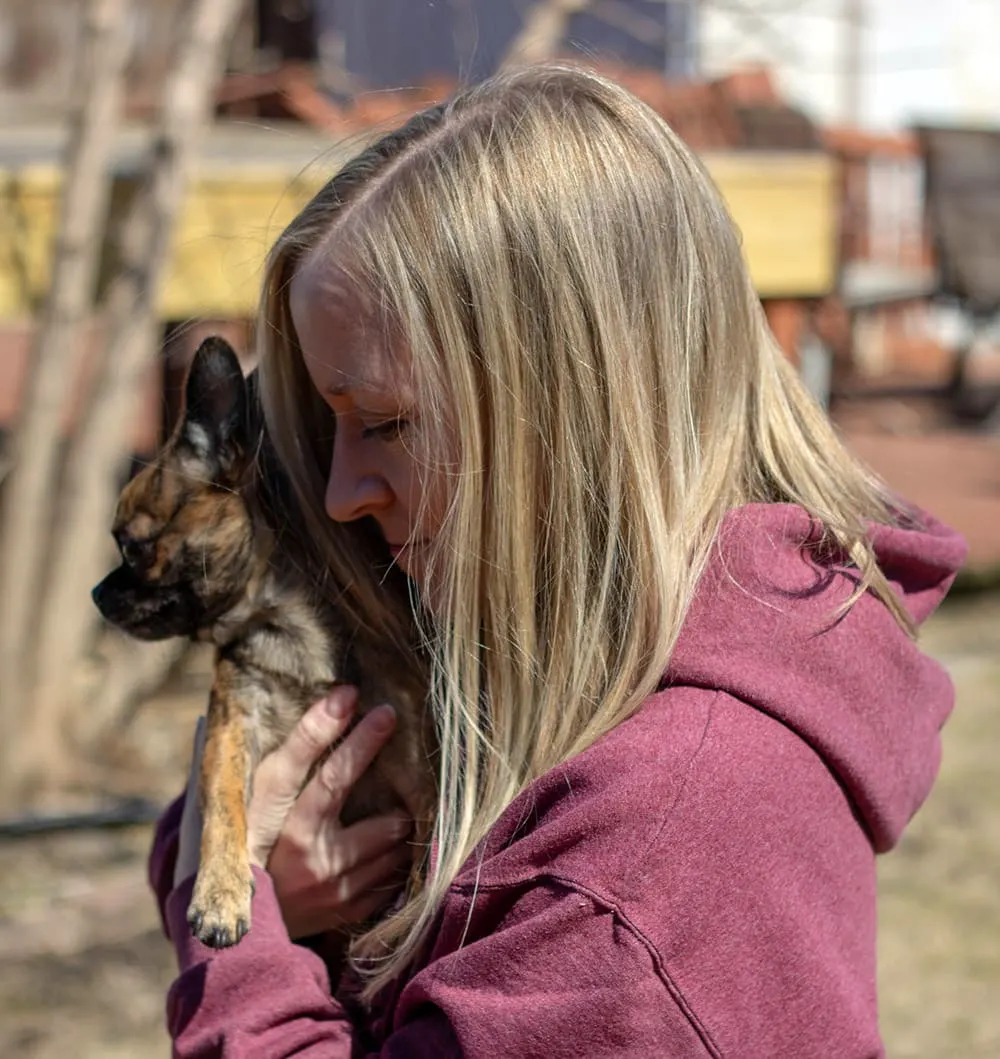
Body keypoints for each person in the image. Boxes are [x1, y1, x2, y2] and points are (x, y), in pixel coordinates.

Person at [149, 64, 967, 1057]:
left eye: (389, 425)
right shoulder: (572, 680)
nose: (339, 495)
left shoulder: (644, 864)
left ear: (573, 414)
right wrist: (263, 870)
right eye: (329, 432)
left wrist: (234, 935)